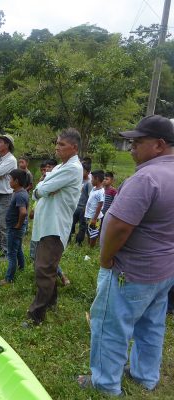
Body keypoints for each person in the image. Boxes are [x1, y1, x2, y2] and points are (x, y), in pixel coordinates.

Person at [78, 115, 174, 396]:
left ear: (158, 145)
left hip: (130, 271)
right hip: (164, 271)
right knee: (152, 326)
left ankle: (105, 384)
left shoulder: (146, 177)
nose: (131, 147)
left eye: (137, 142)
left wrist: (106, 259)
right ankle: (145, 377)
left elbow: (119, 226)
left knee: (111, 327)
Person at [25, 128, 83, 326]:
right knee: (46, 266)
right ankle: (51, 302)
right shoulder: (59, 167)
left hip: (55, 226)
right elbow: (37, 191)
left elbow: (42, 189)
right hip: (46, 225)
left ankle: (36, 315)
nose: (57, 148)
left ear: (74, 148)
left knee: (44, 269)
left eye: (62, 145)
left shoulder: (72, 168)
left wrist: (43, 188)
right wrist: (43, 188)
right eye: (57, 143)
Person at [29, 159, 70, 286]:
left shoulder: (59, 182)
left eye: (50, 167)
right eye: (45, 167)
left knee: (48, 257)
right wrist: (41, 190)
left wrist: (42, 191)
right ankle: (42, 278)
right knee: (33, 254)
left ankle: (60, 275)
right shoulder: (43, 180)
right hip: (39, 220)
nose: (47, 170)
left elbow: (45, 192)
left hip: (50, 225)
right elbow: (36, 195)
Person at [0, 169, 29, 286]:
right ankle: (21, 268)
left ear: (16, 181)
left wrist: (18, 225)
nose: (9, 181)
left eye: (10, 179)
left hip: (14, 229)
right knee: (18, 249)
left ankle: (8, 278)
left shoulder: (20, 195)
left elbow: (23, 212)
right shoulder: (21, 192)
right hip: (16, 228)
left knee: (11, 254)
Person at [71, 162, 92, 245]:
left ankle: (78, 242)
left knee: (82, 226)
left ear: (88, 172)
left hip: (83, 207)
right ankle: (67, 240)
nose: (81, 172)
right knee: (70, 224)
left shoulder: (89, 183)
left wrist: (86, 207)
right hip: (75, 206)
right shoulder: (78, 180)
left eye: (83, 170)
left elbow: (90, 197)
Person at [84, 170, 105, 248]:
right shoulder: (94, 188)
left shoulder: (101, 192)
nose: (91, 180)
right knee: (89, 231)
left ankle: (91, 248)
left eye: (92, 178)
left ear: (97, 179)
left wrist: (94, 218)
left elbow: (100, 205)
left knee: (93, 233)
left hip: (95, 217)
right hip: (89, 215)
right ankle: (89, 245)